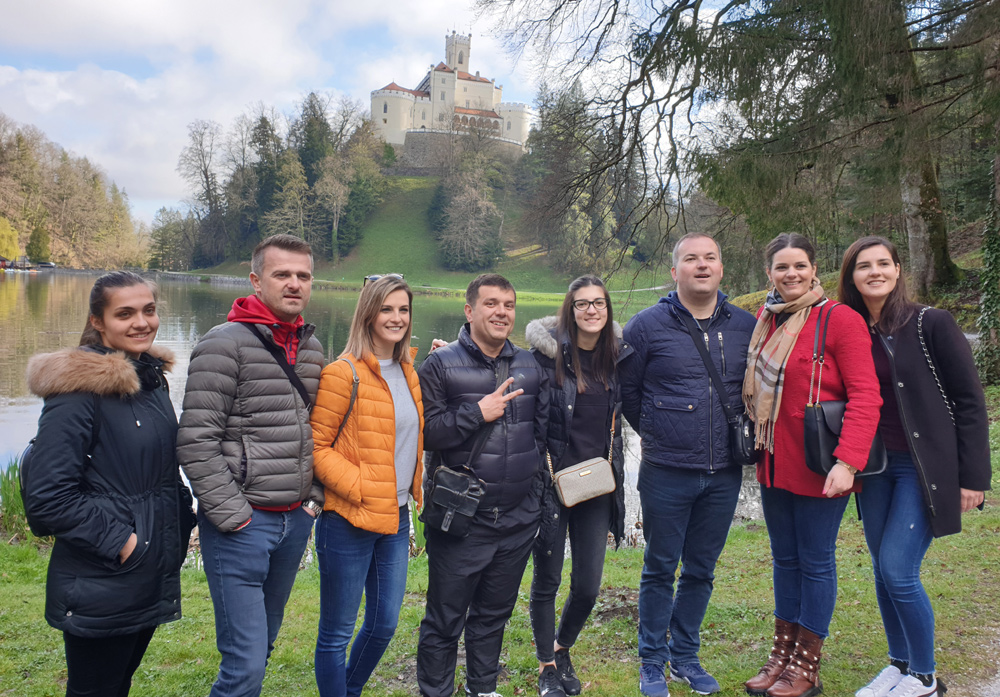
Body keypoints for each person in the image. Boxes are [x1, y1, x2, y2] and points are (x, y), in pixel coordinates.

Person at [22, 271, 196, 697]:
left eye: (149, 310)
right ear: (98, 321)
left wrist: (181, 517)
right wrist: (125, 543)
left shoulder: (149, 378)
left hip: (148, 570)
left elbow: (157, 472)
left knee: (118, 684)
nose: (142, 322)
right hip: (105, 575)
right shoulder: (78, 391)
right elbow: (47, 497)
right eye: (125, 313)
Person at [838, 237, 991, 697]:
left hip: (923, 468)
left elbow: (969, 402)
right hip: (874, 467)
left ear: (899, 270)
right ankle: (899, 663)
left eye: (884, 263)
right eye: (864, 266)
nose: (875, 272)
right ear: (852, 277)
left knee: (899, 568)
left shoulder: (931, 323)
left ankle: (924, 677)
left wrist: (973, 479)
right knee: (883, 571)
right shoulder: (851, 330)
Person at [177, 234, 325, 697]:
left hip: (294, 522)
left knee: (261, 648)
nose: (294, 284)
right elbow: (196, 440)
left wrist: (313, 501)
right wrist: (233, 515)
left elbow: (319, 434)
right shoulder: (223, 344)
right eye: (282, 274)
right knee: (244, 667)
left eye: (303, 276)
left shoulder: (313, 348)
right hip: (243, 525)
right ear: (256, 280)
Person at [743, 233, 882, 697]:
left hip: (824, 465)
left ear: (814, 267)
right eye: (782, 267)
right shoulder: (766, 319)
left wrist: (848, 461)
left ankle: (806, 665)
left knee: (816, 560)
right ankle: (781, 653)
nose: (791, 275)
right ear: (769, 273)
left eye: (799, 266)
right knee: (785, 559)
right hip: (774, 461)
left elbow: (866, 395)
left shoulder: (838, 319)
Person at [620, 234, 757, 697]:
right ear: (673, 270)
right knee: (659, 568)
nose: (702, 266)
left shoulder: (747, 325)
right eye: (691, 259)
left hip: (724, 474)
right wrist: (663, 433)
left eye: (711, 258)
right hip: (666, 472)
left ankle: (686, 657)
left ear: (722, 269)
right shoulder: (645, 326)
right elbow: (630, 395)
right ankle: (651, 661)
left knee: (701, 569)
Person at [416, 273, 549, 697]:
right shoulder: (440, 364)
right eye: (491, 304)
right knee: (444, 619)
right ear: (470, 310)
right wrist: (478, 412)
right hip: (461, 520)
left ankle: (482, 688)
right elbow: (428, 434)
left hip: (515, 521)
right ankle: (436, 691)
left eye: (508, 305)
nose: (501, 312)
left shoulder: (531, 365)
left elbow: (541, 435)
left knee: (493, 615)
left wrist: (534, 500)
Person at [310, 275, 424, 697]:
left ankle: (348, 690)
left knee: (383, 625)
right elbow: (317, 447)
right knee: (336, 632)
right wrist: (360, 485)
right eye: (387, 309)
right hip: (348, 518)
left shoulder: (410, 371)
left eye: (403, 309)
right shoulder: (344, 373)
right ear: (368, 314)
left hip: (394, 518)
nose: (396, 318)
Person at [525, 275, 633, 697]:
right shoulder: (542, 360)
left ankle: (563, 645)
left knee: (588, 586)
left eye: (599, 303)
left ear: (608, 311)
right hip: (552, 485)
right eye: (582, 304)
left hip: (596, 488)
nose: (591, 310)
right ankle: (547, 667)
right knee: (547, 580)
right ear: (569, 311)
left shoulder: (617, 359)